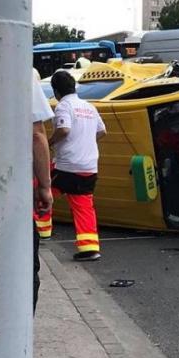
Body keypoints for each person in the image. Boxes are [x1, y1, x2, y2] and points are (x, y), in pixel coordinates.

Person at [48, 69, 106, 262]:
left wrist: (49, 142)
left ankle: (40, 232)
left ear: (56, 92)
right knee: (83, 206)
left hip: (67, 166)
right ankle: (89, 249)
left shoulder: (63, 106)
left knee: (39, 190)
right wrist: (85, 140)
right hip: (89, 167)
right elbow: (102, 131)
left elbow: (64, 130)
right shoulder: (89, 106)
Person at [30, 76, 53, 306]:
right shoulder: (20, 69)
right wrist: (45, 186)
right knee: (25, 275)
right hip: (11, 197)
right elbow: (37, 134)